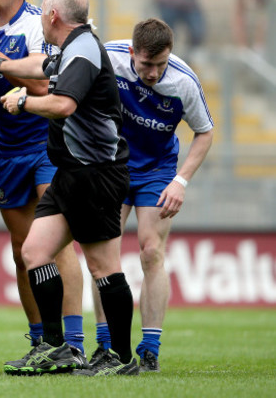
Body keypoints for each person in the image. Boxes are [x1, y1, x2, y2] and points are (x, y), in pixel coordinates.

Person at [0, 0, 137, 376]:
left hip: (96, 173)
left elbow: (63, 103)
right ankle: (54, 347)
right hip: (71, 174)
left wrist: (23, 102)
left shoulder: (82, 50)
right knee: (34, 252)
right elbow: (36, 67)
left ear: (52, 16)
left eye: (42, 14)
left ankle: (120, 357)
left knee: (104, 268)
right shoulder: (70, 49)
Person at [0, 0, 85, 366]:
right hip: (8, 153)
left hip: (48, 145)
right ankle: (41, 342)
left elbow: (41, 86)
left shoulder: (37, 26)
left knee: (53, 244)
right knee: (21, 250)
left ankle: (74, 342)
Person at [92, 18, 214, 372]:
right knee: (104, 256)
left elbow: (204, 133)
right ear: (132, 53)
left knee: (151, 252)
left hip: (157, 171)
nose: (153, 73)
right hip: (112, 165)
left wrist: (181, 181)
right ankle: (106, 346)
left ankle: (150, 348)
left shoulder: (183, 82)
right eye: (146, 64)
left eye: (160, 64)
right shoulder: (108, 59)